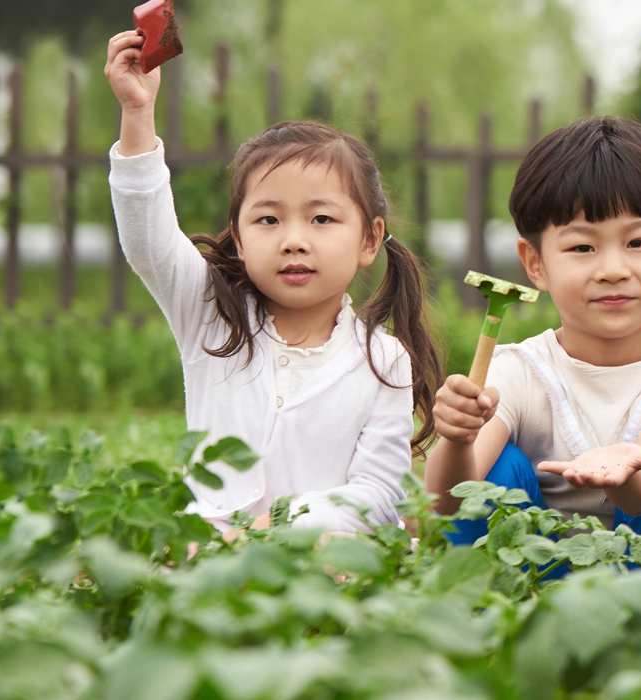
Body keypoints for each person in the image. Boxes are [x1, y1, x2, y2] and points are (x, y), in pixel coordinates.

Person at [104, 30, 441, 533]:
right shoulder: (211, 316)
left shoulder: (384, 359)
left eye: (322, 219)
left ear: (370, 240)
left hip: (324, 567)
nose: (294, 240)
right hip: (209, 557)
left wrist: (275, 530)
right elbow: (147, 238)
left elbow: (378, 495)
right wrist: (137, 113)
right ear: (238, 240)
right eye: (268, 220)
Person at [425, 117, 641, 547]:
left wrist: (623, 467)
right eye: (582, 247)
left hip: (635, 575)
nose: (612, 270)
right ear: (535, 263)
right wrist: (457, 441)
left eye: (638, 243)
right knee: (494, 473)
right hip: (528, 576)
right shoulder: (518, 371)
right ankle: (488, 606)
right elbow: (445, 506)